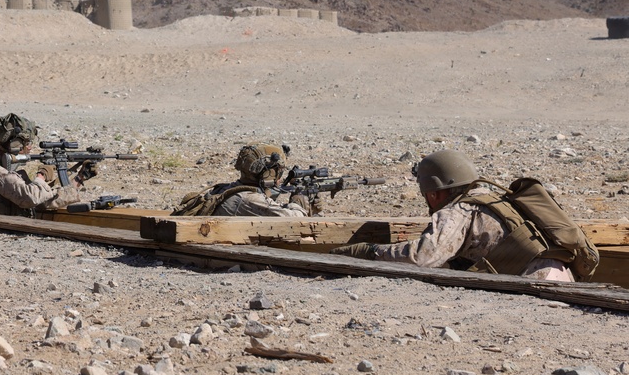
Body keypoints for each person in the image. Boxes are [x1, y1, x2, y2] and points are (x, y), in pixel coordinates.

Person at [330, 150, 578, 281]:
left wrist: (369, 253)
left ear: (434, 193)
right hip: (562, 276)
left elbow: (421, 258)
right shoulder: (495, 199)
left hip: (538, 285)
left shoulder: (459, 211)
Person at [0, 114, 87, 216]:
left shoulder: (8, 173)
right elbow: (30, 198)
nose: (30, 147)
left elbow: (42, 202)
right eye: (27, 142)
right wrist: (41, 176)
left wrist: (80, 178)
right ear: (15, 144)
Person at [172, 144, 314, 218]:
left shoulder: (228, 189)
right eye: (278, 171)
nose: (279, 177)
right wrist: (298, 202)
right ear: (266, 172)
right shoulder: (249, 199)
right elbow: (292, 219)